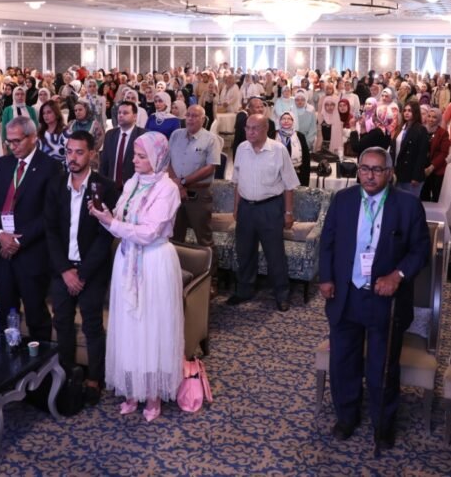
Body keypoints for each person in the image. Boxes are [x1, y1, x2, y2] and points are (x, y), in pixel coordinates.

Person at [318, 146, 430, 448]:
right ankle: (346, 417)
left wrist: (398, 275)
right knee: (343, 361)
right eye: (364, 169)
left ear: (389, 173)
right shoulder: (343, 200)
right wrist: (326, 277)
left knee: (382, 366)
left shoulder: (407, 206)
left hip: (385, 299)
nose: (370, 175)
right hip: (346, 293)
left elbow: (420, 250)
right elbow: (327, 241)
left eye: (377, 169)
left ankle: (383, 424)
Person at [88, 131, 184, 422]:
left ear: (157, 158)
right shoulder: (131, 182)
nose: (134, 160)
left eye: (141, 156)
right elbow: (120, 221)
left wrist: (112, 223)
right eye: (134, 155)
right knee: (129, 325)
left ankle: (153, 394)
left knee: (152, 326)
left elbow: (149, 232)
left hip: (154, 260)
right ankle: (132, 389)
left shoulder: (168, 189)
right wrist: (105, 215)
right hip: (127, 257)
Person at [46, 131, 120, 407]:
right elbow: (51, 230)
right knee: (62, 322)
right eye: (69, 152)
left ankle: (94, 379)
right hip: (62, 269)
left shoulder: (106, 187)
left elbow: (105, 236)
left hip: (92, 270)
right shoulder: (56, 184)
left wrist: (83, 274)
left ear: (91, 154)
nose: (73, 158)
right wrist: (65, 270)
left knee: (92, 325)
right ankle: (67, 372)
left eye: (79, 152)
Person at [0, 116, 62, 341]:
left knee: (36, 315)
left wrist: (19, 240)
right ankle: (7, 357)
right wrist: (0, 234)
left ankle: (42, 360)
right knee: (4, 312)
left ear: (33, 138)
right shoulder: (3, 164)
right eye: (9, 141)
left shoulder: (50, 167)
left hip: (32, 252)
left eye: (17, 141)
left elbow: (50, 213)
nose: (12, 146)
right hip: (3, 253)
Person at [228, 113, 300, 312]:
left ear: (265, 129)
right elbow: (237, 182)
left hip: (270, 208)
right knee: (244, 252)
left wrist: (288, 212)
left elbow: (289, 185)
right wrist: (236, 207)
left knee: (274, 254)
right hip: (246, 208)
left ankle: (281, 294)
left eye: (255, 128)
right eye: (247, 128)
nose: (250, 132)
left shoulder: (278, 150)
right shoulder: (241, 149)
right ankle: (245, 290)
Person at [168, 104, 223, 263]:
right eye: (188, 115)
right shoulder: (176, 135)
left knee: (204, 238)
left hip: (198, 194)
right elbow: (167, 162)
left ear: (203, 119)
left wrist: (184, 182)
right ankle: (177, 270)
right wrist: (178, 185)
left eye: (195, 116)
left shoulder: (211, 139)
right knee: (174, 236)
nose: (190, 119)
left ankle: (210, 274)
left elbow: (210, 168)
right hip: (175, 192)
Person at [100, 101, 146, 189]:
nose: (121, 115)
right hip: (112, 187)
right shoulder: (110, 135)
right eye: (119, 113)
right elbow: (104, 163)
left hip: (134, 188)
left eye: (125, 113)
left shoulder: (142, 135)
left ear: (135, 116)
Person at [391, 100, 428, 197]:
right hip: (398, 171)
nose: (406, 113)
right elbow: (394, 149)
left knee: (410, 201)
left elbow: (422, 155)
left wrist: (416, 176)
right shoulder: (401, 128)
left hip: (411, 173)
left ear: (415, 112)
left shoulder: (421, 130)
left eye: (410, 111)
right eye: (405, 110)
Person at [276, 111, 311, 184]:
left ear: (293, 121)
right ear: (279, 121)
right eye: (283, 119)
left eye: (289, 119)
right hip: (277, 175)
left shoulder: (300, 136)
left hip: (297, 173)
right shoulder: (273, 135)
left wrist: (305, 178)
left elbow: (306, 158)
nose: (286, 121)